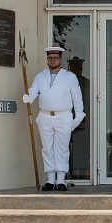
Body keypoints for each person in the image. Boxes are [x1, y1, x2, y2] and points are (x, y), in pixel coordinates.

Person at [23, 46, 85, 191]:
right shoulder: (40, 76)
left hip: (63, 116)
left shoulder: (69, 77)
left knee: (61, 149)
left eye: (55, 58)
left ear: (60, 59)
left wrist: (78, 117)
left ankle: (61, 179)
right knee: (47, 148)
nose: (52, 60)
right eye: (50, 58)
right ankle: (50, 179)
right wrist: (28, 97)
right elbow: (33, 91)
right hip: (45, 116)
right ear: (47, 59)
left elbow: (77, 98)